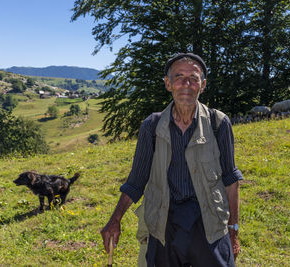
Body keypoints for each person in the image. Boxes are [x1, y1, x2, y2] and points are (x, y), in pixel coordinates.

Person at [101, 52, 243, 267]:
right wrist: (115, 219)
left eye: (193, 78)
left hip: (209, 221)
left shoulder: (219, 123)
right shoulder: (152, 126)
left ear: (202, 85)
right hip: (165, 222)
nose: (186, 84)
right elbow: (136, 181)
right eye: (179, 77)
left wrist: (233, 229)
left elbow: (231, 180)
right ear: (168, 84)